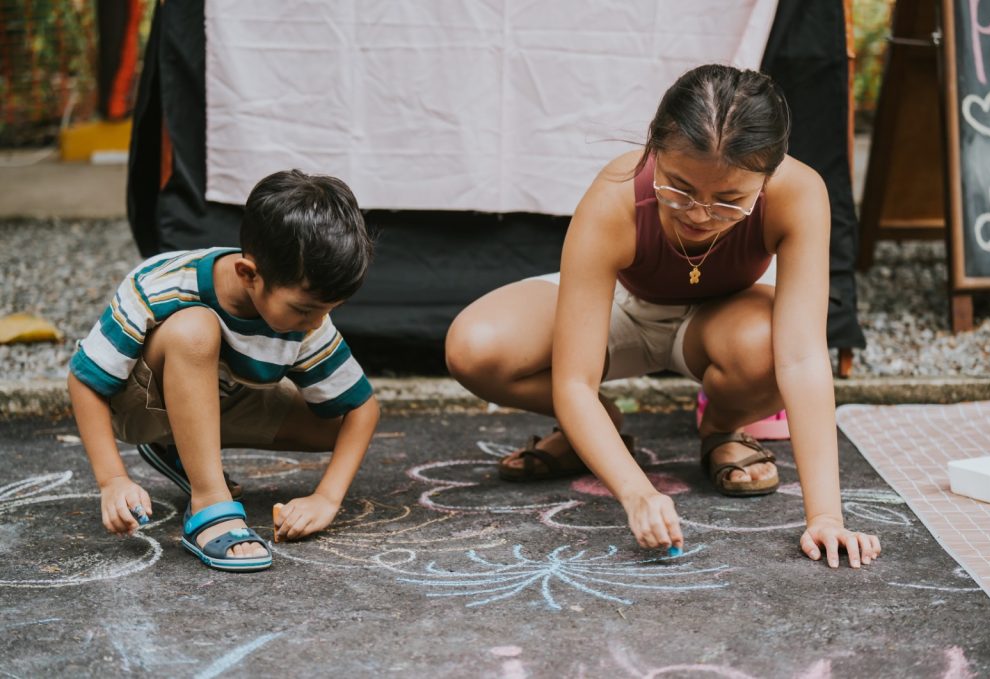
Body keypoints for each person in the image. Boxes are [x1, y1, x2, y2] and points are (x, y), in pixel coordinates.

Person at [445, 64, 880, 569]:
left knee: (771, 346)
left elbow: (802, 359)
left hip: (721, 319)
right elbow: (574, 381)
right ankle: (599, 432)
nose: (698, 213)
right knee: (474, 347)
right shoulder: (617, 192)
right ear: (653, 147)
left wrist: (825, 516)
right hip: (621, 305)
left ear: (769, 175)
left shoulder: (800, 192)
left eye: (730, 202)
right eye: (678, 188)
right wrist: (637, 493)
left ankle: (721, 429)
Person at [67, 169, 379, 572]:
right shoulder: (162, 284)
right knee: (195, 329)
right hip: (141, 406)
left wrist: (326, 498)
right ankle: (209, 503)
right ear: (248, 274)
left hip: (223, 398)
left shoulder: (307, 321)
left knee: (336, 425)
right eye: (305, 310)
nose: (316, 323)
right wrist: (112, 480)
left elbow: (362, 409)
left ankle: (180, 451)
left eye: (328, 310)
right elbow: (85, 380)